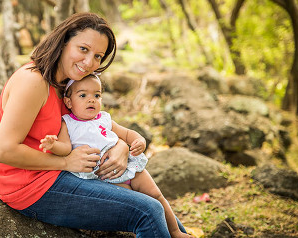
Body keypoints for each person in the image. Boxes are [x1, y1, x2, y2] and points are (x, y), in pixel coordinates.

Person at [0, 12, 191, 237]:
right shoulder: (33, 81)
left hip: (72, 173)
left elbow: (95, 126)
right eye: (83, 49)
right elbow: (4, 151)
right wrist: (66, 162)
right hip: (32, 187)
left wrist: (121, 147)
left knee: (157, 206)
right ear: (63, 41)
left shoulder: (71, 83)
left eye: (98, 56)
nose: (89, 63)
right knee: (147, 210)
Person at [39, 74, 190, 237]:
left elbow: (126, 133)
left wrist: (139, 139)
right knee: (137, 203)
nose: (91, 100)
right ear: (68, 102)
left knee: (155, 196)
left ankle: (175, 232)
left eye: (96, 95)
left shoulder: (104, 118)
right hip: (104, 177)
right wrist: (53, 145)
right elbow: (65, 148)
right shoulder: (68, 123)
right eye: (83, 95)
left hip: (131, 168)